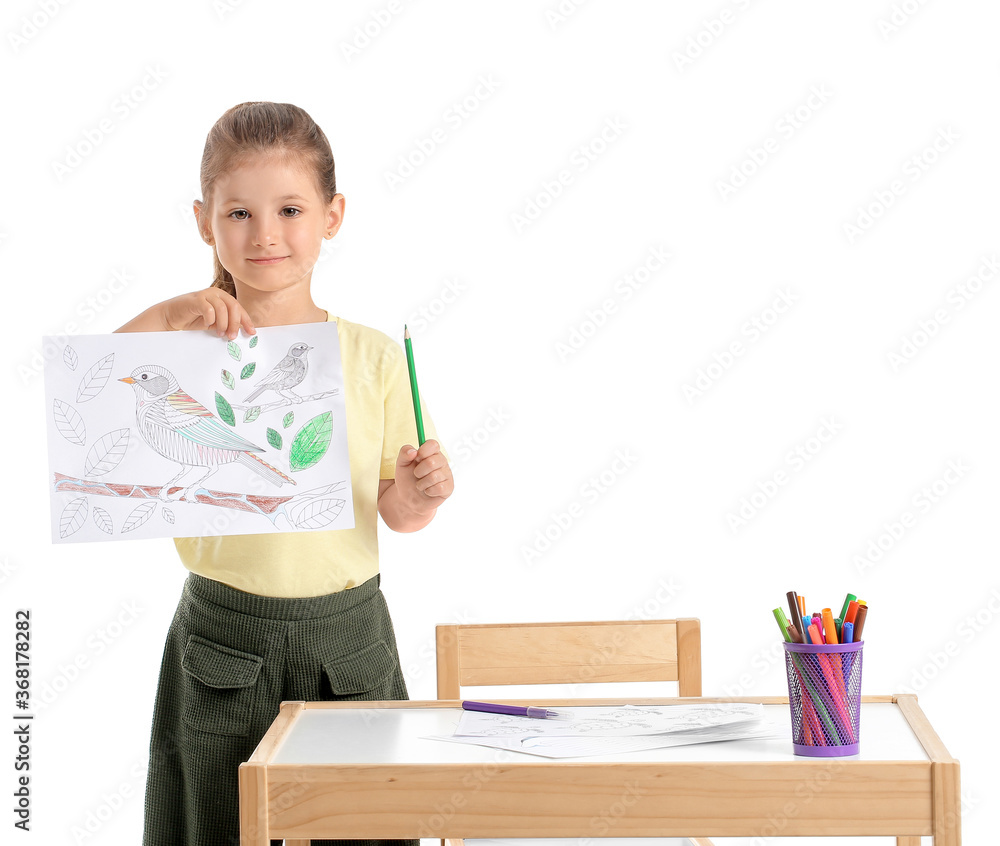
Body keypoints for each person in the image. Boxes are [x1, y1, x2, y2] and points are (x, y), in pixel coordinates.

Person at [116, 101, 453, 846]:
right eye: (239, 212)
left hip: (350, 639)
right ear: (205, 222)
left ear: (332, 216)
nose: (265, 234)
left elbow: (396, 512)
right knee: (216, 819)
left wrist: (420, 493)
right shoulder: (185, 345)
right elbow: (95, 393)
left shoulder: (371, 355)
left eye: (290, 209)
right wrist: (167, 316)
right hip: (221, 641)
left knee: (362, 823)